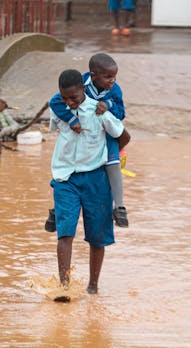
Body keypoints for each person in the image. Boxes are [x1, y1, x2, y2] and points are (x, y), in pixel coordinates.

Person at [49, 69, 130, 299]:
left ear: (83, 90)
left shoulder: (100, 111)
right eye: (64, 98)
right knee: (65, 234)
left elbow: (124, 135)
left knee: (97, 236)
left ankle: (93, 286)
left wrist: (115, 152)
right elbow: (56, 120)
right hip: (66, 178)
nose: (69, 103)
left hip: (96, 179)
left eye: (73, 98)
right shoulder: (60, 112)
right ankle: (63, 288)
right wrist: (68, 113)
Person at [45, 53, 129, 232]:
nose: (112, 81)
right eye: (107, 77)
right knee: (66, 163)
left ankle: (120, 207)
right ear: (93, 76)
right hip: (81, 131)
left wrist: (108, 105)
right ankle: (56, 209)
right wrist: (70, 119)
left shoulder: (115, 90)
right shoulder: (79, 83)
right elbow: (55, 102)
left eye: (114, 77)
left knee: (112, 162)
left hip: (105, 131)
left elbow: (121, 113)